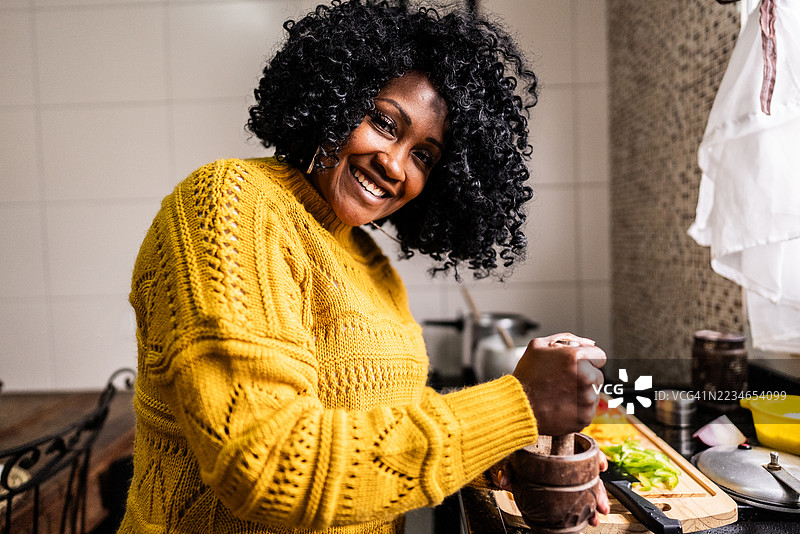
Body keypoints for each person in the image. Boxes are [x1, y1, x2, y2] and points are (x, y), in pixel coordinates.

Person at [119, 1, 609, 533]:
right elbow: (272, 467)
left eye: (425, 155)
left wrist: (498, 452)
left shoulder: (371, 264)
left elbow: (375, 413)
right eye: (383, 122)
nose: (394, 165)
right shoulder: (231, 204)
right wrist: (518, 404)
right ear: (334, 98)